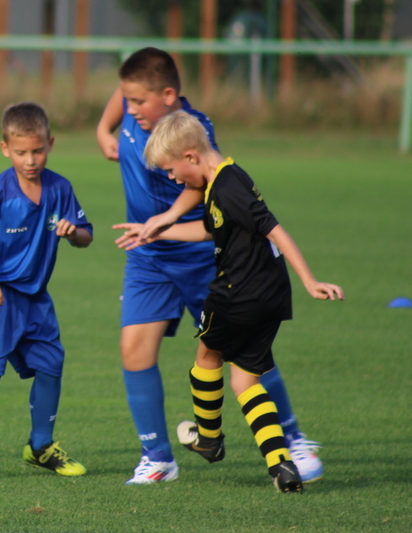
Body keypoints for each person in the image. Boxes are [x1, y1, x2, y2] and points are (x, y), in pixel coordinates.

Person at [95, 47, 325, 484]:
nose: (131, 108)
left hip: (202, 255)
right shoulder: (132, 108)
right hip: (147, 254)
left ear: (168, 95)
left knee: (243, 352)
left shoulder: (194, 131)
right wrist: (102, 131)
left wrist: (164, 220)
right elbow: (121, 96)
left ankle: (292, 441)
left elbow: (204, 186)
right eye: (127, 100)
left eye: (139, 101)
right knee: (134, 350)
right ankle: (158, 458)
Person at [0, 102, 92, 480]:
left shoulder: (60, 188)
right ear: (5, 148)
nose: (30, 160)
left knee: (51, 364)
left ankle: (41, 446)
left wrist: (73, 233)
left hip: (35, 295)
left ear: (50, 144)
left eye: (38, 151)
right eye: (21, 152)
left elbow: (86, 235)